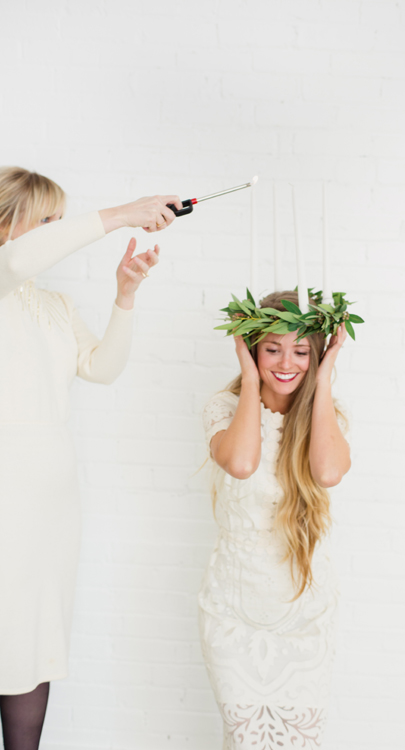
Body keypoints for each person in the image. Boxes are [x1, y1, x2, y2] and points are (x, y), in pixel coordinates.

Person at [0, 166, 182, 750]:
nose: (57, 230)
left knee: (33, 641)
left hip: (52, 506)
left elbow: (102, 369)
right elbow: (17, 260)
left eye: (60, 220)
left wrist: (124, 297)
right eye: (46, 220)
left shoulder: (53, 303)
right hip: (6, 502)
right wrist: (124, 214)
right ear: (8, 221)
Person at [199, 290, 351, 749]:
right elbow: (241, 463)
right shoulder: (223, 409)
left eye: (302, 351)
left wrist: (323, 380)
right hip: (234, 612)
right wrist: (250, 380)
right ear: (251, 348)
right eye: (272, 349)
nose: (287, 363)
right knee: (245, 740)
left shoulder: (327, 417)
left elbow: (327, 473)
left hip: (305, 615)